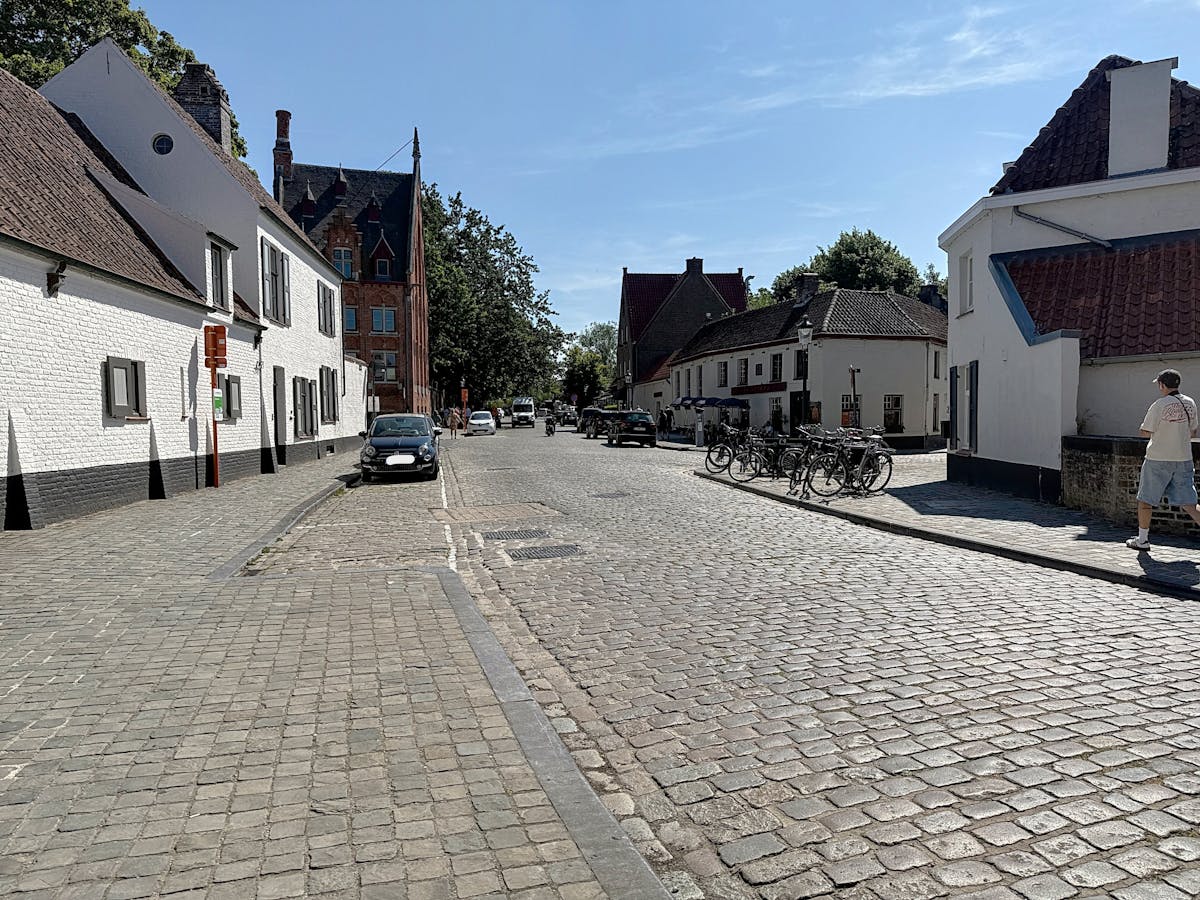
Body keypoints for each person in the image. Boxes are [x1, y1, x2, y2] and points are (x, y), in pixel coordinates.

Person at [1127, 368, 1200, 550]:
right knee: (1189, 503)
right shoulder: (1190, 403)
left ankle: (1142, 540)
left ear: (1162, 384)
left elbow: (1145, 431)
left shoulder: (1159, 405)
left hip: (1158, 458)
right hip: (1183, 457)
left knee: (1146, 500)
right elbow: (1193, 431)